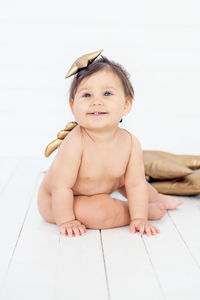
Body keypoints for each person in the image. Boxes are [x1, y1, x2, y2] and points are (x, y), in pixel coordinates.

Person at [37, 54, 183, 237]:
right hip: (60, 202)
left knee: (136, 183)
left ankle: (155, 199)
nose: (96, 101)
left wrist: (140, 219)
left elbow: (135, 185)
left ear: (126, 105)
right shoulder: (74, 143)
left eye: (107, 93)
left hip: (102, 186)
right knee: (100, 212)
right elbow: (61, 187)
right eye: (87, 94)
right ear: (73, 106)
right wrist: (66, 220)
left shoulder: (130, 143)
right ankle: (132, 211)